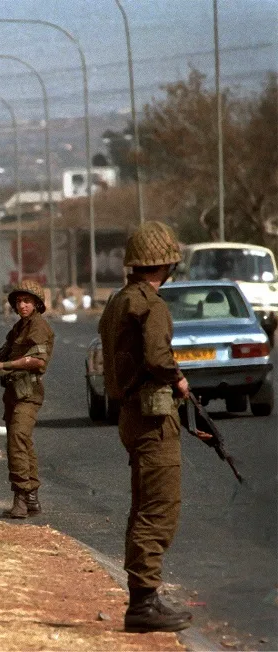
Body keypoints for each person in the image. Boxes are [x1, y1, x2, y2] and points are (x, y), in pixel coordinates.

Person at [98, 221, 201, 634]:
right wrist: (179, 378)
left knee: (144, 505)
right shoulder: (151, 305)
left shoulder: (119, 301)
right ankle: (143, 603)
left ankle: (145, 596)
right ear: (166, 264)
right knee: (159, 507)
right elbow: (158, 357)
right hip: (153, 417)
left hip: (129, 413)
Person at [0, 280, 55, 519]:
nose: (22, 305)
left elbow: (38, 361)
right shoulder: (19, 327)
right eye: (19, 301)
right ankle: (32, 497)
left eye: (27, 301)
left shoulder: (38, 327)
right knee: (22, 442)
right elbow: (7, 349)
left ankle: (21, 497)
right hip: (14, 392)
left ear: (36, 304)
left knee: (17, 441)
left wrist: (6, 365)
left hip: (28, 393)